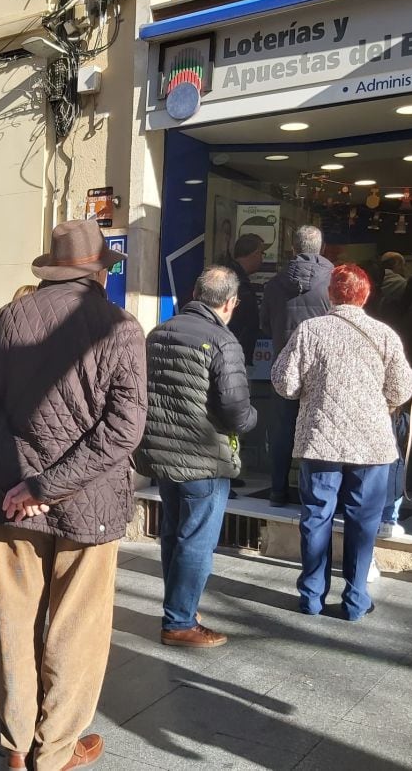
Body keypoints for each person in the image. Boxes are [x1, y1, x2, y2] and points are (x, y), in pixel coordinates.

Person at [0, 219, 146, 771]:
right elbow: (124, 429)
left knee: (13, 624)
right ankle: (57, 750)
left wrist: (24, 484)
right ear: (99, 272)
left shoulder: (4, 320)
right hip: (90, 502)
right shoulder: (121, 328)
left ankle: (18, 747)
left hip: (15, 501)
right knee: (77, 630)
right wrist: (45, 485)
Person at [271, 264, 412, 620]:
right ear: (366, 296)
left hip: (321, 439)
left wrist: (312, 390)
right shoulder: (384, 334)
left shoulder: (310, 330)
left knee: (316, 515)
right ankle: (355, 599)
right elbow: (402, 389)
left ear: (330, 294)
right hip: (371, 443)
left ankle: (311, 596)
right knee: (363, 521)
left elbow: (285, 384)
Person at [136, 266, 257, 648]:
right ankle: (179, 621)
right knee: (197, 541)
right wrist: (253, 420)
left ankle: (180, 606)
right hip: (202, 458)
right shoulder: (223, 341)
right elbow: (236, 410)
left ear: (194, 293)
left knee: (174, 534)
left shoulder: (159, 332)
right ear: (230, 303)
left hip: (162, 453)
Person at [0, 282, 41, 653]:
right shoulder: (27, 356)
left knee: (1, 555)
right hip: (18, 474)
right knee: (10, 556)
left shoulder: (1, 348)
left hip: (6, 472)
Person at [260, 225, 333, 507]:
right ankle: (313, 494)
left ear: (293, 248)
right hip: (323, 369)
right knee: (320, 428)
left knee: (282, 430)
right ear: (322, 248)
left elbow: (265, 325)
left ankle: (277, 491)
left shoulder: (274, 284)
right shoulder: (333, 283)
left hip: (285, 364)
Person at [226, 233, 267, 366]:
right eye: (262, 253)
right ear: (255, 254)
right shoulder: (233, 281)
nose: (262, 259)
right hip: (232, 355)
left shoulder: (235, 277)